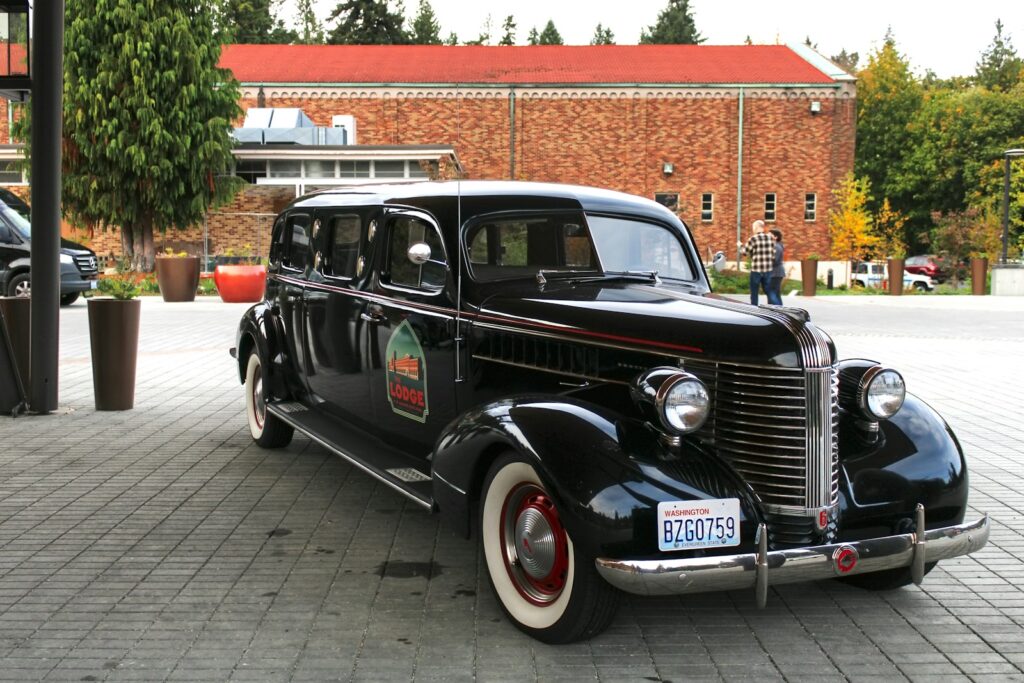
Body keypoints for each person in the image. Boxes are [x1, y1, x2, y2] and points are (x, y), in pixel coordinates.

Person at [739, 220, 774, 306]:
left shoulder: (753, 239)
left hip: (756, 269)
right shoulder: (770, 238)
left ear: (756, 227)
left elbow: (744, 252)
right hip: (768, 269)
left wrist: (740, 246)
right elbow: (773, 253)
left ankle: (754, 308)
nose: (753, 230)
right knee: (769, 291)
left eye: (753, 228)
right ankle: (772, 308)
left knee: (754, 292)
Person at [767, 229, 784, 305]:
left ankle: (776, 309)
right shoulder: (777, 245)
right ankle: (780, 310)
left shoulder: (776, 247)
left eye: (770, 235)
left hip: (775, 273)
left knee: (771, 292)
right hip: (777, 273)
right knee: (776, 293)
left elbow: (774, 261)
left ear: (775, 237)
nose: (767, 236)